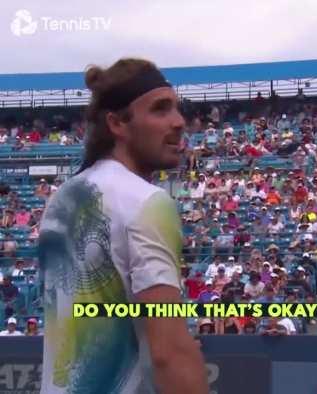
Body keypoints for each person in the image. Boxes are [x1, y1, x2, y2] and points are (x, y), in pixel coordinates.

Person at [38, 59, 207, 394]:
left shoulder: (61, 201)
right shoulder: (147, 201)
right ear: (117, 123)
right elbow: (168, 353)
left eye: (177, 108)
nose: (178, 122)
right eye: (160, 110)